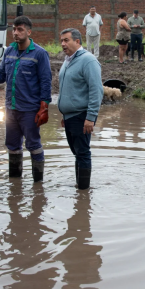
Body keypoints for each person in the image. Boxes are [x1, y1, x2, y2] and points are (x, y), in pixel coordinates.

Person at [0, 16, 52, 181]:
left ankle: (38, 185)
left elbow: (46, 82)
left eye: (20, 29)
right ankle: (15, 184)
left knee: (34, 145)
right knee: (12, 146)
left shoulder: (39, 54)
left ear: (29, 32)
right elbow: (1, 76)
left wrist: (44, 108)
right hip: (11, 109)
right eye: (14, 29)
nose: (15, 33)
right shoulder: (9, 51)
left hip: (30, 110)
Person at [57, 28, 104, 190]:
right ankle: (80, 187)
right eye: (61, 41)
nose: (63, 44)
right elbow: (70, 89)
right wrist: (65, 114)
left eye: (66, 40)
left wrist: (90, 117)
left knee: (82, 152)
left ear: (77, 41)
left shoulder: (88, 60)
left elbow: (96, 90)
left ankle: (84, 192)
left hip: (81, 115)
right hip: (70, 116)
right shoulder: (68, 60)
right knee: (77, 152)